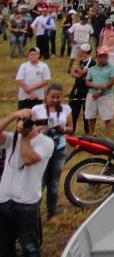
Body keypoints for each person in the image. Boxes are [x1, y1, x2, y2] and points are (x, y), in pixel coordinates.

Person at [0, 108, 55, 256]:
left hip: (26, 203)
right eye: (22, 121)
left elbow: (27, 159)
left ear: (38, 123)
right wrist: (13, 115)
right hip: (4, 200)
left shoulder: (46, 142)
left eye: (29, 121)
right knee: (4, 247)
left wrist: (25, 137)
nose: (25, 124)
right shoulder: (12, 139)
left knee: (30, 248)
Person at [30, 83, 73, 220]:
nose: (55, 100)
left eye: (58, 97)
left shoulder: (66, 109)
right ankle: (34, 212)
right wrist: (42, 126)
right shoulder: (37, 109)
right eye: (52, 97)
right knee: (39, 181)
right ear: (46, 96)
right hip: (40, 150)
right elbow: (29, 129)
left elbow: (71, 129)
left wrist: (62, 129)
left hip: (59, 149)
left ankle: (52, 211)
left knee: (54, 181)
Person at [85, 48, 114, 137]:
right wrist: (96, 87)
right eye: (101, 57)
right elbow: (87, 82)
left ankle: (108, 137)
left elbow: (112, 81)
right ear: (97, 57)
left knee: (108, 117)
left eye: (105, 57)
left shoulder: (112, 68)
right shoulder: (92, 69)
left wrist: (100, 92)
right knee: (91, 116)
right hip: (92, 94)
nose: (103, 59)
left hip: (106, 95)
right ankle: (91, 135)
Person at [69, 43, 93, 134]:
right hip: (76, 88)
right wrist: (79, 73)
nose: (79, 52)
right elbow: (72, 73)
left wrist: (78, 65)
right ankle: (71, 130)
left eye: (81, 51)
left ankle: (87, 131)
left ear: (85, 52)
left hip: (86, 90)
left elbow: (82, 73)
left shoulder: (91, 61)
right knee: (73, 111)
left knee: (86, 111)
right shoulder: (80, 61)